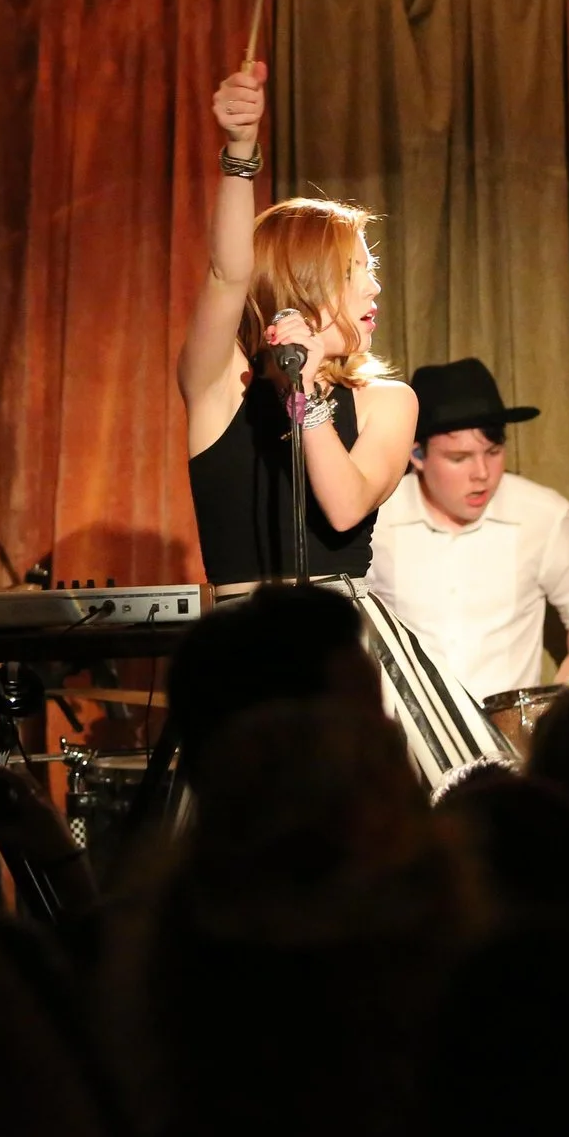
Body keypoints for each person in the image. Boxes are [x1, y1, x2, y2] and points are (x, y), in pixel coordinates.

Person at [179, 61, 501, 787]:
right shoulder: (216, 385)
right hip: (243, 650)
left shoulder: (390, 401)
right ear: (304, 277)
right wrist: (239, 154)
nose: (375, 286)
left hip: (349, 649)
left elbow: (345, 502)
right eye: (357, 269)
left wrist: (306, 393)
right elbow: (229, 274)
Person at [365, 357, 569, 702]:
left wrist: (562, 694)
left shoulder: (543, 516)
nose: (482, 473)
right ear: (417, 455)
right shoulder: (376, 520)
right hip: (405, 740)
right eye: (459, 458)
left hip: (507, 738)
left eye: (494, 452)